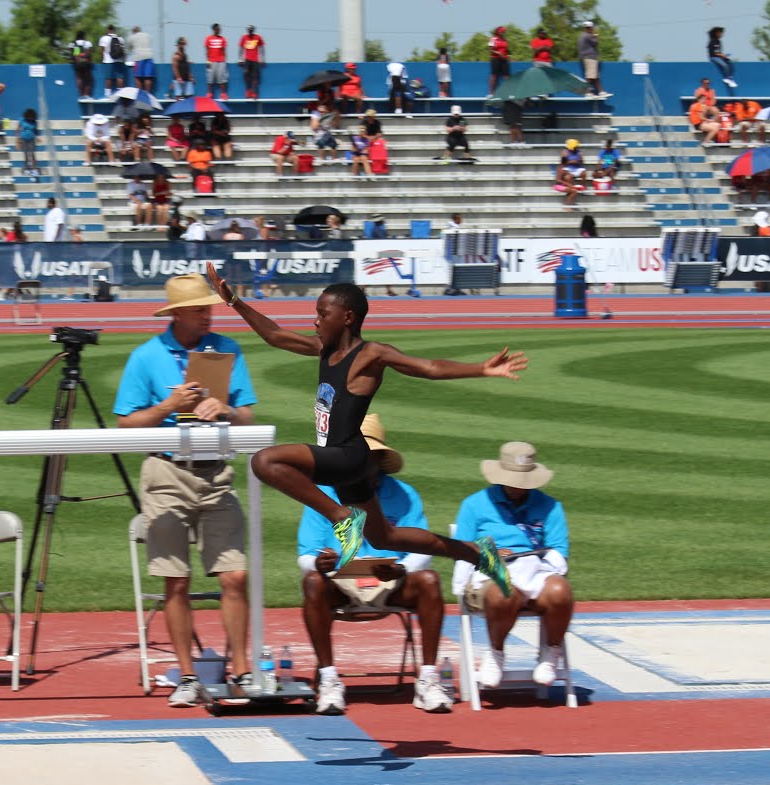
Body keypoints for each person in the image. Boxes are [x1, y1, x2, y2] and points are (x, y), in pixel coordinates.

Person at [203, 264, 519, 593]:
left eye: (323, 314)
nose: (316, 320)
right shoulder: (324, 349)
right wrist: (234, 301)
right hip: (343, 466)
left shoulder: (371, 354)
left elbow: (429, 367)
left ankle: (342, 518)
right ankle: (477, 553)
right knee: (385, 537)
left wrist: (481, 368)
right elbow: (274, 335)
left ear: (348, 317)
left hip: (348, 455)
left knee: (264, 462)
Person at [112, 274, 258, 705]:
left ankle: (242, 671)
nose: (209, 314)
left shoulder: (228, 350)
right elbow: (125, 423)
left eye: (209, 306)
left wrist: (226, 409)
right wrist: (167, 408)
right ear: (176, 313)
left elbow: (249, 417)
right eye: (199, 309)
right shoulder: (145, 357)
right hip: (166, 472)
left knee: (236, 574)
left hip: (217, 475)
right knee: (175, 580)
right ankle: (188, 677)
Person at [297, 415, 453, 715]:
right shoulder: (322, 494)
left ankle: (429, 679)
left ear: (378, 458)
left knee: (430, 580)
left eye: (363, 456)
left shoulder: (405, 495)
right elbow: (306, 554)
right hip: (340, 582)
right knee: (313, 581)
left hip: (391, 581)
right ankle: (329, 680)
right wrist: (318, 563)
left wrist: (403, 570)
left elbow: (423, 548)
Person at [452, 442, 572, 690]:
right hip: (490, 575)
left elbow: (559, 553)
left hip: (536, 572)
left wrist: (533, 561)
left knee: (561, 591)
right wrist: (490, 554)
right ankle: (495, 653)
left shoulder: (551, 506)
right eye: (513, 480)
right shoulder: (474, 505)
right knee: (505, 592)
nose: (518, 487)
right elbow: (461, 550)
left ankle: (551, 652)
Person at [99, 25, 128, 94]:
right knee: (119, 77)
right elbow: (123, 51)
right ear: (115, 30)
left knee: (108, 78)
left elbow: (102, 50)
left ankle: (108, 94)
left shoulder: (104, 38)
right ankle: (120, 94)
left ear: (108, 30)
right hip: (119, 60)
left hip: (108, 61)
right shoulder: (120, 39)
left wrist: (103, 59)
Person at [239, 25, 265, 99]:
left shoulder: (258, 37)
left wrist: (262, 59)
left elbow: (262, 48)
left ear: (253, 30)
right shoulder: (244, 38)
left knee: (255, 77)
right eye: (249, 30)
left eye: (251, 30)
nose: (250, 31)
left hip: (255, 60)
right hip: (247, 60)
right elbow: (241, 49)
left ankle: (254, 92)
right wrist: (240, 59)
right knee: (246, 75)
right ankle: (248, 91)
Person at [578, 21, 604, 97]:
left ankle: (600, 91)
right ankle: (589, 92)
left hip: (585, 57)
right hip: (590, 57)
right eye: (590, 28)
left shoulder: (582, 35)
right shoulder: (588, 36)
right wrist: (596, 36)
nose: (591, 29)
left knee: (593, 75)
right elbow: (595, 43)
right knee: (590, 76)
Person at [204, 24, 229, 99]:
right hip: (211, 61)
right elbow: (207, 51)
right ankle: (210, 93)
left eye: (219, 29)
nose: (219, 30)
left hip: (221, 61)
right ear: (214, 29)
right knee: (210, 78)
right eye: (217, 29)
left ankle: (223, 93)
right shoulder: (208, 39)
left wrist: (224, 60)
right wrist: (208, 60)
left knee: (222, 78)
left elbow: (224, 51)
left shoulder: (222, 39)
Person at [129, 25, 156, 93]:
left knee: (138, 77)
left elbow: (129, 48)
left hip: (138, 58)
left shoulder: (132, 37)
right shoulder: (148, 35)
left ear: (133, 31)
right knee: (148, 77)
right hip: (149, 56)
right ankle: (148, 94)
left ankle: (140, 95)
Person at [70, 30, 96, 98]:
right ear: (84, 36)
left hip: (77, 63)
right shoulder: (87, 43)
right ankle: (86, 95)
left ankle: (81, 95)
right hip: (85, 64)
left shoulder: (73, 43)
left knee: (79, 78)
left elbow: (71, 54)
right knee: (89, 80)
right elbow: (89, 54)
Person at [489, 27, 512, 95]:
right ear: (498, 32)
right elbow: (490, 49)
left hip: (504, 60)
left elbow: (507, 50)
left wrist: (509, 56)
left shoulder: (505, 40)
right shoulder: (493, 39)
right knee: (494, 76)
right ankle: (491, 93)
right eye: (502, 31)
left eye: (504, 31)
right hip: (495, 59)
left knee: (507, 76)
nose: (503, 33)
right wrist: (498, 53)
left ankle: (508, 93)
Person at [17, 107, 39, 175]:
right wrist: (18, 140)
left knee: (32, 154)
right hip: (24, 138)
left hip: (31, 139)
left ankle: (34, 169)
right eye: (29, 117)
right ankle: (26, 168)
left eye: (32, 117)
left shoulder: (34, 122)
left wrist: (37, 137)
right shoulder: (22, 120)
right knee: (26, 154)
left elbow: (35, 131)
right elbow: (17, 129)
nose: (30, 119)